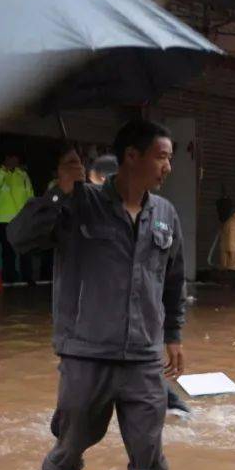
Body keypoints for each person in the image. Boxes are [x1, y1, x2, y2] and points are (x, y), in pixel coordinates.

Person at [8, 119, 185, 470]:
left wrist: (174, 335)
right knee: (73, 440)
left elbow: (173, 281)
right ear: (132, 157)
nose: (168, 167)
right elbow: (18, 238)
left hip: (143, 354)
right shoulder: (78, 203)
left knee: (148, 447)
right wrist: (58, 191)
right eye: (162, 157)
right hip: (86, 352)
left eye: (170, 159)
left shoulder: (165, 215)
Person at [83, 150, 191, 417]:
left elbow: (174, 281)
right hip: (95, 338)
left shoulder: (158, 215)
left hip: (140, 335)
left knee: (157, 393)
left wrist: (173, 335)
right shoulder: (83, 211)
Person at [0, 151, 35, 285]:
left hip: (22, 219)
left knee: (26, 249)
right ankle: (10, 278)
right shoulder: (1, 173)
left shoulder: (23, 175)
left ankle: (28, 277)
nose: (15, 161)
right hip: (4, 220)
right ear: (6, 158)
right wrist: (3, 171)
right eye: (13, 158)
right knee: (8, 252)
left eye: (17, 159)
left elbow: (30, 196)